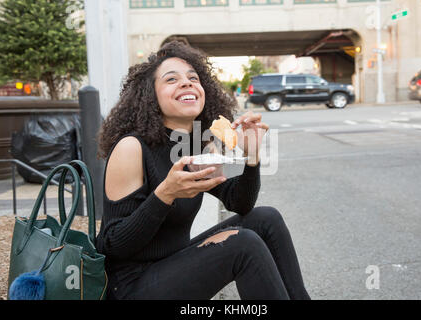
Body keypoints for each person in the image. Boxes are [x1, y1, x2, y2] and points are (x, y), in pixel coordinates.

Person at [95, 41, 310, 300]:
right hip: (130, 287)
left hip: (173, 264)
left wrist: (251, 158)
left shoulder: (196, 143)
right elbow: (112, 245)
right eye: (171, 79)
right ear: (150, 96)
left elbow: (239, 203)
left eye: (193, 78)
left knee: (266, 219)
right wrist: (164, 195)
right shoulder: (132, 147)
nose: (187, 83)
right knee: (243, 245)